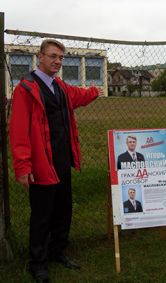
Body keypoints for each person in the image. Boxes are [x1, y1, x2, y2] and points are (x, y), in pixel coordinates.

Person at [9, 39, 101, 283]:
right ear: (40, 57)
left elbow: (77, 96)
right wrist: (22, 167)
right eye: (52, 56)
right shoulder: (26, 89)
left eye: (60, 57)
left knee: (63, 212)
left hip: (62, 163)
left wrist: (94, 92)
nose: (57, 61)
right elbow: (18, 132)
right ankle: (37, 263)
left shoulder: (60, 86)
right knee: (42, 217)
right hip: (41, 167)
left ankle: (57, 251)